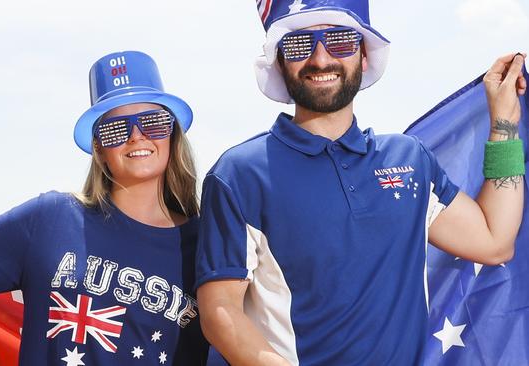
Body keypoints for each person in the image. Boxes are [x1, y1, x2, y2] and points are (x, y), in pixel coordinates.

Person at [195, 1, 527, 365]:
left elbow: (494, 241)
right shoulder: (239, 173)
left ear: (364, 55)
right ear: (279, 62)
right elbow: (220, 312)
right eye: (299, 45)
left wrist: (505, 122)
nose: (320, 60)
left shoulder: (409, 160)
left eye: (339, 41)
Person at [0, 50, 209, 365]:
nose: (136, 137)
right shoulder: (52, 218)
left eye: (152, 122)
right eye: (115, 129)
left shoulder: (210, 244)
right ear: (98, 148)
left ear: (173, 133)